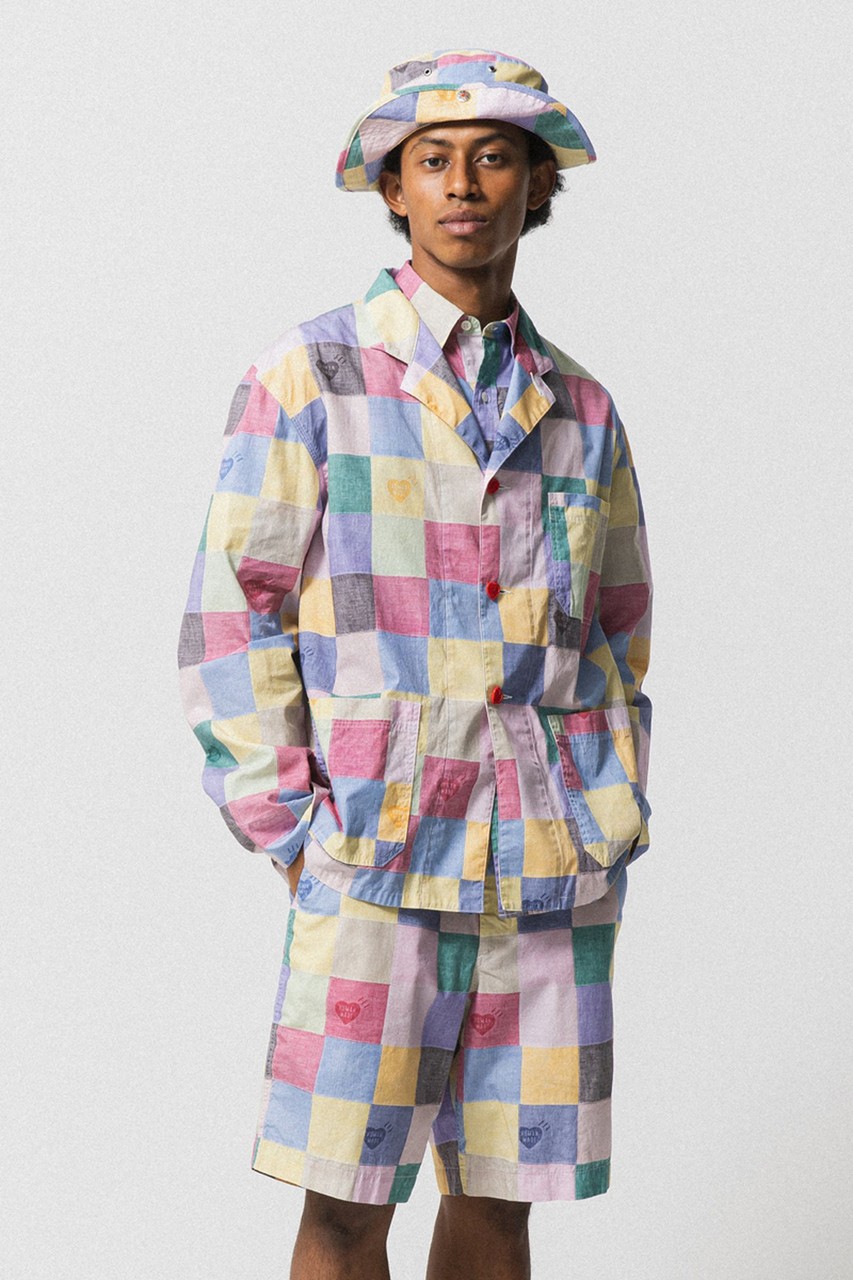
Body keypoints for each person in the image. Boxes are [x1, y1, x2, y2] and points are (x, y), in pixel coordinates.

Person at [178, 48, 653, 1280]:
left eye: (493, 159)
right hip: (372, 854)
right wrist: (293, 829)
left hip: (545, 859)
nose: (463, 185)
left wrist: (608, 798)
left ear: (535, 186)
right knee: (343, 1208)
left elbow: (617, 629)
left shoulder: (581, 409)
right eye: (432, 161)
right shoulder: (311, 377)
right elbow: (233, 612)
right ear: (393, 189)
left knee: (501, 1204)